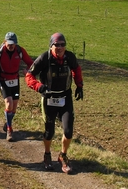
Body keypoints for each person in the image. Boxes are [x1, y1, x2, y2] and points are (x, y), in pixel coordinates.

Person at [25, 33, 84, 174]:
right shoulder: (44, 58)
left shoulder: (69, 57)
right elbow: (29, 75)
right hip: (49, 98)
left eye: (63, 44)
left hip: (65, 97)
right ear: (51, 45)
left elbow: (76, 69)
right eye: (57, 45)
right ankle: (47, 154)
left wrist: (79, 85)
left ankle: (63, 156)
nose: (60, 47)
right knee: (49, 131)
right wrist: (39, 87)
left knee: (68, 131)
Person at [0, 32, 33, 141]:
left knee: (14, 106)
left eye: (13, 44)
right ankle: (9, 130)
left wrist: (29, 71)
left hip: (15, 79)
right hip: (3, 79)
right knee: (9, 103)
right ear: (4, 42)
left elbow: (31, 63)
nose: (11, 46)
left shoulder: (20, 51)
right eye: (9, 43)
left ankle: (7, 122)